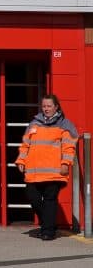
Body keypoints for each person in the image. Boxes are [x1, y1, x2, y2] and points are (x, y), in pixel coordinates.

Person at [15, 94, 78, 241]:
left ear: (56, 107)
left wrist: (65, 164)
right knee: (33, 197)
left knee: (50, 199)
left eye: (49, 106)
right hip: (34, 172)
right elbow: (26, 145)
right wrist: (21, 161)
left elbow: (68, 147)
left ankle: (48, 232)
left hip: (54, 171)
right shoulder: (34, 124)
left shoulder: (65, 124)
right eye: (44, 106)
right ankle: (49, 224)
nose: (46, 109)